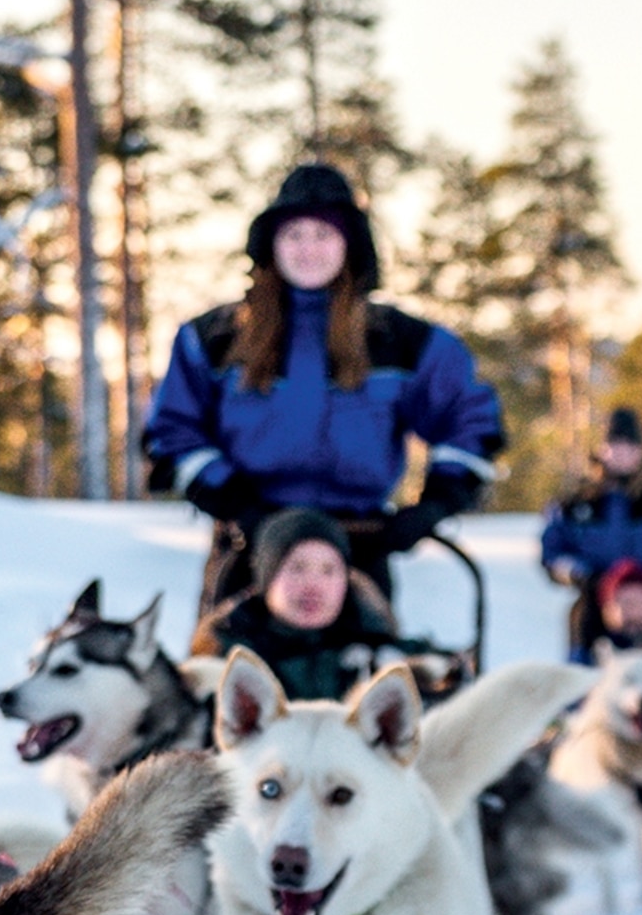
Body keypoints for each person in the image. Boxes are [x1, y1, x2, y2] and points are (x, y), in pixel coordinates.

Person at [148, 163, 506, 630]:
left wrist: (435, 502)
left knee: (362, 691)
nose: (308, 249)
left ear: (350, 245)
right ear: (271, 245)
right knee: (230, 687)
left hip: (360, 544)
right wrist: (236, 505)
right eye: (294, 234)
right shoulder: (213, 339)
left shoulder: (402, 341)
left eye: (323, 234)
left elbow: (470, 419)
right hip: (250, 545)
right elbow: (173, 429)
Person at [201, 507, 449, 704]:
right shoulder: (224, 660)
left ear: (347, 580)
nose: (313, 586)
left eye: (329, 571)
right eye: (296, 568)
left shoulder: (383, 654)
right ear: (266, 579)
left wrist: (446, 674)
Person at [542, 406, 642, 661]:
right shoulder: (577, 504)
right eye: (615, 444)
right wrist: (579, 574)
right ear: (602, 449)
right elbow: (553, 553)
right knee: (584, 647)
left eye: (630, 445)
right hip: (595, 598)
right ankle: (580, 695)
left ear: (641, 451)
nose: (622, 452)